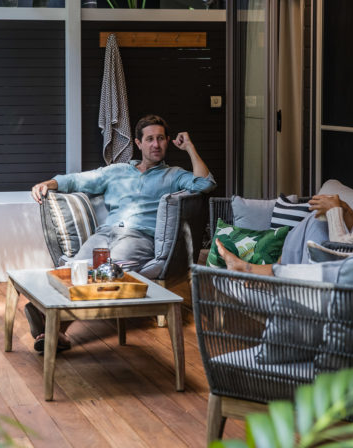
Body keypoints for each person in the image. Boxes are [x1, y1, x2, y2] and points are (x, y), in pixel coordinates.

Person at [27, 114, 217, 351]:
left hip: (139, 237)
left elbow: (205, 183)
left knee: (105, 271)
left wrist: (189, 147)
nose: (155, 145)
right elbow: (79, 180)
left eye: (160, 139)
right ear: (138, 143)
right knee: (73, 270)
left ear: (168, 141)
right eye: (149, 139)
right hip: (105, 234)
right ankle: (53, 329)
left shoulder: (173, 175)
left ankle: (52, 331)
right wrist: (48, 184)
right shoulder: (116, 171)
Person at [216, 140, 353, 276]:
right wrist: (345, 209)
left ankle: (257, 271)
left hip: (346, 268)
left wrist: (334, 210)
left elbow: (344, 250)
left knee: (316, 219)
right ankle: (257, 270)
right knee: (318, 216)